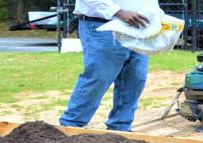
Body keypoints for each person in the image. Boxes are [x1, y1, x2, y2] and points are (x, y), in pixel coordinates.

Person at [59, 1, 152, 132]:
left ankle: (121, 127)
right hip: (102, 24)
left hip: (136, 27)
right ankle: (70, 126)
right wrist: (119, 12)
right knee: (99, 77)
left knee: (135, 78)